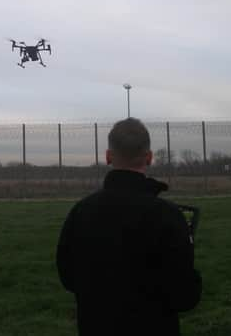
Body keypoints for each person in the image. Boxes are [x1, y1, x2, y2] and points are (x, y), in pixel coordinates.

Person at [56, 118, 202, 336]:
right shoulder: (168, 215)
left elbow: (68, 277)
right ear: (149, 157)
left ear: (108, 156)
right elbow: (184, 297)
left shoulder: (81, 212)